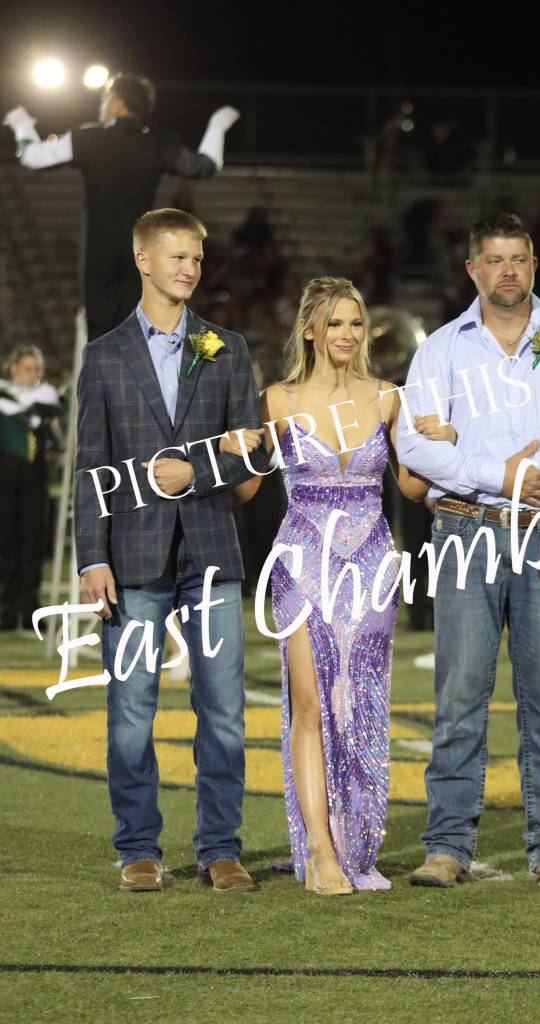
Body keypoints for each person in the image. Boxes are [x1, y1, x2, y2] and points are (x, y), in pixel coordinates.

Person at [397, 213, 540, 890]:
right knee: (458, 697)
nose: (508, 271)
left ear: (534, 265)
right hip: (464, 528)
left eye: (518, 259)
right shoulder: (441, 349)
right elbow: (412, 446)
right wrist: (493, 475)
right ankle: (446, 846)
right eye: (494, 260)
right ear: (472, 269)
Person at [221, 277, 454, 894]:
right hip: (302, 565)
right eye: (335, 323)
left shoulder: (388, 397)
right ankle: (322, 852)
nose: (348, 334)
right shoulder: (277, 400)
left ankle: (355, 843)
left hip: (373, 565)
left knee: (360, 705)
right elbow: (246, 492)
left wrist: (445, 445)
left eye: (356, 323)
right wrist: (234, 449)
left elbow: (412, 488)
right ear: (309, 330)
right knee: (309, 705)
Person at [74, 207, 267, 893]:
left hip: (211, 552)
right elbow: (90, 467)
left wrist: (198, 470)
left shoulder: (228, 348)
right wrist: (91, 559)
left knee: (224, 711)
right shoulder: (103, 355)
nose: (190, 268)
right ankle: (137, 848)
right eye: (177, 256)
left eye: (197, 258)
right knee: (132, 713)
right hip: (130, 558)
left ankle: (221, 847)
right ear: (143, 260)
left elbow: (252, 453)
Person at [4, 73, 239, 339]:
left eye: (105, 99)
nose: (103, 105)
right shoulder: (159, 143)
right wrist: (218, 126)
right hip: (140, 250)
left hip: (99, 250)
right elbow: (205, 166)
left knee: (99, 333)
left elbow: (32, 156)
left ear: (117, 103)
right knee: (138, 330)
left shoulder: (88, 138)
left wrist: (22, 124)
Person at [0, 345, 60, 631]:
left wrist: (25, 404)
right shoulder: (4, 392)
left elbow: (50, 407)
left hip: (34, 479)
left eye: (37, 369)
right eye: (27, 369)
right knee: (6, 542)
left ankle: (30, 608)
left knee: (32, 542)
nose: (34, 374)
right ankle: (7, 608)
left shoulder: (44, 394)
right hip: (4, 478)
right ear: (13, 368)